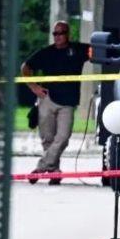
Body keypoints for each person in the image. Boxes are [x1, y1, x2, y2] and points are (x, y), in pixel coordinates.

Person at [22, 21, 89, 185]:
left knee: (63, 137)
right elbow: (25, 67)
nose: (58, 37)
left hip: (67, 102)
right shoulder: (46, 53)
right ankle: (54, 172)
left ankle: (40, 168)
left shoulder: (78, 50)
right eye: (55, 34)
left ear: (68, 34)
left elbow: (97, 52)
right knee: (47, 139)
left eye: (62, 33)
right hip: (47, 99)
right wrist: (34, 87)